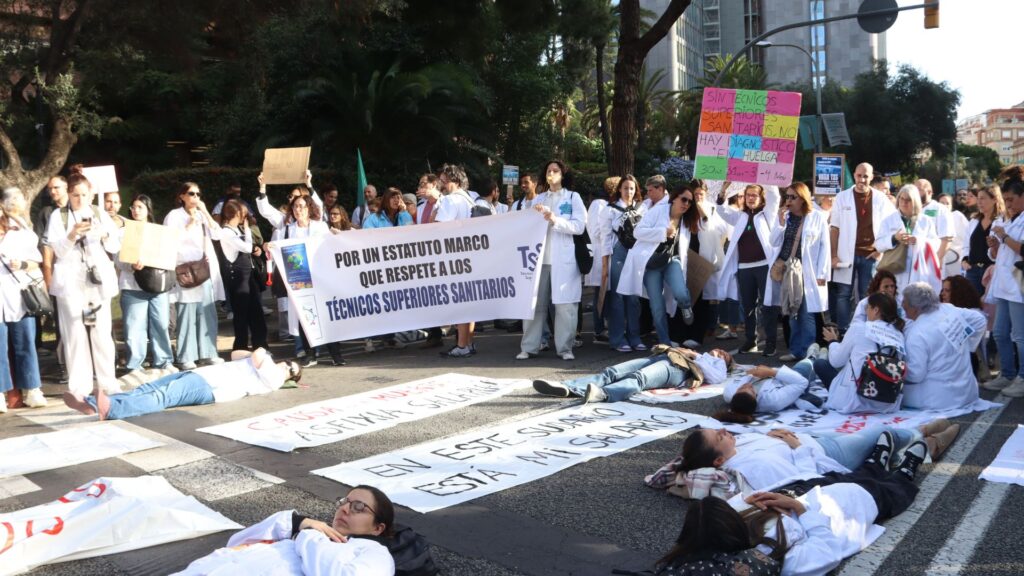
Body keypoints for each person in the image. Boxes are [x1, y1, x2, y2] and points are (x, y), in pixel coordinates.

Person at [654, 451, 924, 576]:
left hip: (818, 493)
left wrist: (778, 501)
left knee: (859, 477)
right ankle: (903, 470)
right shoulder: (773, 558)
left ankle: (876, 461)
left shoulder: (709, 547)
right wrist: (800, 509)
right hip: (846, 507)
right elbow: (827, 550)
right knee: (893, 489)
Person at [172, 485, 395, 576]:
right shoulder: (314, 532)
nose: (345, 509)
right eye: (344, 502)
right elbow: (237, 541)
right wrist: (299, 523)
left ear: (377, 528)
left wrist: (307, 535)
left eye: (358, 507)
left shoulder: (374, 552)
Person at [63, 347, 300, 420]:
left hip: (213, 387)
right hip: (206, 375)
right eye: (289, 362)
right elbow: (238, 354)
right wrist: (259, 352)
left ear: (290, 378)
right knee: (149, 388)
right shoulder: (267, 363)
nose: (287, 366)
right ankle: (92, 404)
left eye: (292, 370)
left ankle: (111, 409)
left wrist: (263, 351)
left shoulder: (275, 379)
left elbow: (257, 356)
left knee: (161, 397)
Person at [47, 168, 121, 397]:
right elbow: (55, 249)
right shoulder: (59, 216)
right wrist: (72, 235)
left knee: (101, 331)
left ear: (91, 193)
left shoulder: (99, 213)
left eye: (84, 194)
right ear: (68, 194)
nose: (80, 199)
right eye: (76, 195)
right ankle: (80, 386)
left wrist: (104, 235)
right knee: (75, 333)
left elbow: (115, 247)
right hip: (71, 283)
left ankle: (108, 382)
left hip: (96, 282)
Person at [679, 425, 921, 491]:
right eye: (719, 437)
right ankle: (923, 436)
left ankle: (924, 438)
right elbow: (806, 480)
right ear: (718, 462)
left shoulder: (734, 446)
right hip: (826, 453)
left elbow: (757, 442)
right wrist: (796, 447)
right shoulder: (754, 469)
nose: (724, 431)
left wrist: (771, 433)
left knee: (871, 435)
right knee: (882, 431)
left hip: (811, 438)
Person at [517, 160, 586, 361]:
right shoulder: (538, 198)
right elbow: (525, 227)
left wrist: (555, 220)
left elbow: (580, 226)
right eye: (549, 170)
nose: (552, 173)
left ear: (562, 175)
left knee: (565, 306)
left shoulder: (573, 197)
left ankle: (565, 348)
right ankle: (529, 347)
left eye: (555, 170)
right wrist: (535, 215)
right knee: (534, 304)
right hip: (539, 260)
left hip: (563, 260)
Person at [619, 177, 693, 346]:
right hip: (652, 263)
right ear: (674, 198)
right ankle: (665, 342)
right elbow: (638, 232)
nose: (686, 204)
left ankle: (686, 305)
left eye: (689, 201)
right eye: (683, 199)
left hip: (671, 260)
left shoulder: (686, 219)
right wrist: (663, 232)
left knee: (681, 293)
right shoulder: (658, 211)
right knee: (657, 307)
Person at [265, 193, 332, 366]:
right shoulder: (287, 230)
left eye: (302, 206)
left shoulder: (320, 227)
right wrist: (267, 246)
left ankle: (319, 348)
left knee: (317, 313)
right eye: (295, 206)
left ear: (309, 208)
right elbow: (273, 247)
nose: (298, 210)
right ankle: (305, 350)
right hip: (297, 280)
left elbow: (328, 247)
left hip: (317, 277)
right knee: (300, 315)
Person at [164, 182, 225, 370]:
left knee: (207, 312)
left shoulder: (200, 214)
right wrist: (188, 227)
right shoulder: (174, 216)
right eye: (191, 194)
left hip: (203, 269)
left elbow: (218, 234)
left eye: (198, 194)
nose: (195, 197)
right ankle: (185, 356)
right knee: (187, 314)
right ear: (182, 196)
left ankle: (207, 353)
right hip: (185, 270)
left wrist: (206, 212)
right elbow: (169, 240)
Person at [829, 163, 896, 332]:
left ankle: (867, 330)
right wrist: (833, 255)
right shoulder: (842, 197)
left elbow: (892, 226)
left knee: (869, 296)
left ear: (871, 177)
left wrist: (880, 249)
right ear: (854, 175)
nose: (862, 179)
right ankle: (843, 332)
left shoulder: (881, 199)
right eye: (859, 175)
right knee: (844, 295)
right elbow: (834, 228)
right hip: (846, 255)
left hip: (870, 255)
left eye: (866, 176)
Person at [532, 346, 731, 403]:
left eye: (726, 355)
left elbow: (714, 377)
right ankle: (570, 387)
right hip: (665, 357)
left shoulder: (718, 365)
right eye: (721, 350)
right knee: (613, 371)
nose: (721, 353)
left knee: (639, 379)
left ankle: (604, 394)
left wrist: (695, 355)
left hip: (678, 370)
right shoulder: (702, 354)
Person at [820, 293, 911, 415]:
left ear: (876, 310)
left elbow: (836, 361)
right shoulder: (898, 334)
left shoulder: (859, 328)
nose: (866, 312)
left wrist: (833, 341)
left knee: (820, 364)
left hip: (855, 401)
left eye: (867, 308)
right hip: (887, 403)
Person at [769, 182, 830, 362]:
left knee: (807, 313)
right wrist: (780, 224)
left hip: (807, 272)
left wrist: (822, 274)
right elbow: (773, 242)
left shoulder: (816, 217)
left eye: (792, 197)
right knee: (791, 311)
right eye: (786, 196)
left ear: (803, 199)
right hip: (788, 271)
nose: (788, 200)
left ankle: (808, 351)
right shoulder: (785, 218)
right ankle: (796, 351)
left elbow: (824, 247)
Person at [901, 282, 987, 410]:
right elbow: (980, 320)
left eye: (905, 302)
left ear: (915, 308)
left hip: (937, 400)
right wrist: (966, 345)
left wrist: (899, 367)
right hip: (967, 393)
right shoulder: (949, 309)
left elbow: (916, 374)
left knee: (897, 395)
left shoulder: (917, 333)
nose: (902, 304)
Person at [717, 184, 781, 355]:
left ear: (761, 198)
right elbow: (721, 210)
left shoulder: (767, 214)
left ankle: (770, 343)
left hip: (764, 266)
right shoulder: (740, 217)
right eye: (748, 195)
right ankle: (750, 341)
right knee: (748, 306)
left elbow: (774, 196)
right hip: (744, 268)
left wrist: (765, 174)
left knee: (768, 305)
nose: (751, 198)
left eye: (755, 195)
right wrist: (723, 190)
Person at [116, 194, 175, 374]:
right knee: (134, 327)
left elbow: (170, 254)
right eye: (133, 207)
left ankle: (163, 360)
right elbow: (118, 260)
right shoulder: (123, 232)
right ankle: (135, 363)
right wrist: (131, 265)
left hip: (158, 284)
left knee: (161, 323)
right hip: (132, 285)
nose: (135, 210)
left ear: (148, 210)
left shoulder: (159, 231)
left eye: (140, 207)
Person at [0, 187, 46, 411]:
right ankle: (1, 393)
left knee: (25, 343)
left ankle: (31, 389)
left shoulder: (23, 231)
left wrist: (22, 264)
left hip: (19, 295)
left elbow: (36, 261)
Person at [983, 169, 1024, 396]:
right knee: (999, 333)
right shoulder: (1011, 220)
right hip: (1004, 286)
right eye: (1005, 199)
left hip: (1019, 287)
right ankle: (1007, 374)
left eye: (1011, 199)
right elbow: (1002, 255)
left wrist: (1005, 238)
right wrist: (995, 245)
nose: (1008, 204)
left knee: (1020, 335)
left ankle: (1022, 377)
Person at [435, 164, 479, 358]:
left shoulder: (450, 201)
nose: (441, 184)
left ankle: (461, 345)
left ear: (455, 181)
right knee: (469, 302)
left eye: (444, 181)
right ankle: (468, 343)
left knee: (461, 301)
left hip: (455, 256)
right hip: (471, 255)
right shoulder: (470, 198)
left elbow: (439, 228)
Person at [219, 199, 270, 355]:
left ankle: (260, 346)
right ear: (237, 214)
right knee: (241, 315)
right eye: (243, 212)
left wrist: (247, 229)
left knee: (256, 312)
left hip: (249, 277)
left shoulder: (237, 230)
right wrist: (254, 247)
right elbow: (245, 247)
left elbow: (248, 244)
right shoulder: (226, 232)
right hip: (238, 279)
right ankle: (240, 348)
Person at [602, 175, 646, 352]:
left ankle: (634, 336)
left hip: (636, 254)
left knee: (634, 297)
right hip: (618, 253)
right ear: (620, 189)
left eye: (632, 188)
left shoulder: (643, 209)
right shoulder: (610, 209)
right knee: (618, 297)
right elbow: (604, 237)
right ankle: (618, 338)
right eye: (626, 188)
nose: (629, 192)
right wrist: (605, 262)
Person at [875, 185, 942, 295]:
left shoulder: (925, 221)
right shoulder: (889, 220)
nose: (904, 202)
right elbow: (878, 245)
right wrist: (894, 238)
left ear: (915, 201)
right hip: (896, 269)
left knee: (916, 300)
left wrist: (918, 241)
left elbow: (936, 243)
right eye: (901, 198)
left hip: (918, 269)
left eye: (908, 200)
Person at [36, 175, 69, 383]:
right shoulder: (47, 213)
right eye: (50, 188)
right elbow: (43, 247)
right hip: (58, 272)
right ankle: (64, 364)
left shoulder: (78, 212)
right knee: (61, 323)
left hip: (81, 275)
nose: (53, 191)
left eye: (57, 187)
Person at [714, 364, 825, 424]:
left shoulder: (729, 394)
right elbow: (801, 382)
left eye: (741, 388)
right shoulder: (773, 401)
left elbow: (745, 375)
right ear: (756, 399)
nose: (749, 386)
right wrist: (770, 372)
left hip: (773, 376)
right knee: (804, 367)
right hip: (786, 381)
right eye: (752, 391)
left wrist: (757, 372)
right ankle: (812, 357)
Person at [961, 184, 1005, 296]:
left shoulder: (1003, 221)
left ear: (994, 199)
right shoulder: (973, 221)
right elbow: (966, 245)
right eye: (978, 198)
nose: (979, 202)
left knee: (990, 308)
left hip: (992, 271)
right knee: (972, 307)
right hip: (973, 271)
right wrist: (965, 260)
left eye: (983, 198)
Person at [585, 178, 612, 343]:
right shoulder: (599, 205)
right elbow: (596, 231)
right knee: (600, 295)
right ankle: (599, 330)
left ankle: (601, 328)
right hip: (600, 253)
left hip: (603, 253)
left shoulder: (600, 205)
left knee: (603, 294)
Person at [916, 178, 955, 267]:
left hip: (932, 261)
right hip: (915, 261)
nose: (915, 192)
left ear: (929, 192)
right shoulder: (912, 210)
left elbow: (947, 238)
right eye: (914, 189)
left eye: (919, 189)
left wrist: (937, 259)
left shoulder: (941, 209)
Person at [938, 193, 969, 279]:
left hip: (956, 261)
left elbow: (968, 237)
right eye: (942, 203)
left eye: (947, 203)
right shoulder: (932, 219)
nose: (945, 205)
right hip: (938, 261)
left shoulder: (957, 216)